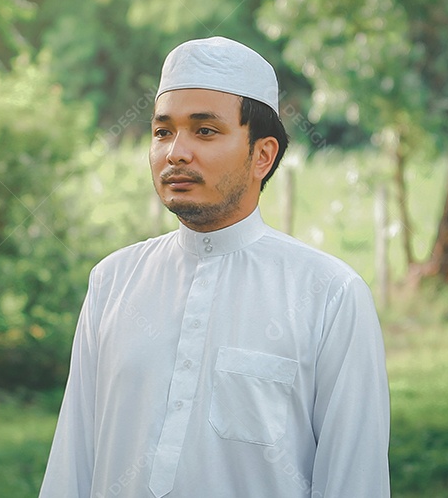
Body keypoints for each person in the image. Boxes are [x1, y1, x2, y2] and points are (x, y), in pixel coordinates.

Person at [39, 36, 390, 497]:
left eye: (204, 131)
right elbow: (72, 461)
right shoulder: (113, 281)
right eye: (163, 132)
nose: (176, 153)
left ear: (262, 155)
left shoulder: (330, 294)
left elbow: (354, 480)